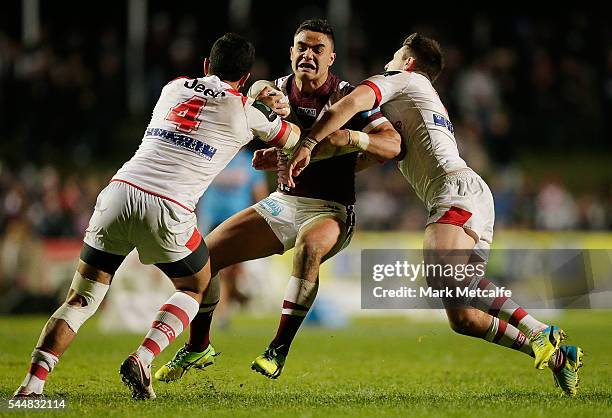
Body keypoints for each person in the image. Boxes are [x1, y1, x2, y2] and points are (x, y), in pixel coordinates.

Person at [288, 33, 583, 397]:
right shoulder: (415, 100)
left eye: (394, 55)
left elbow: (346, 106)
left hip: (453, 189)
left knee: (443, 272)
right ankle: (558, 358)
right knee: (463, 317)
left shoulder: (403, 80)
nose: (387, 63)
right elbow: (375, 154)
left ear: (408, 62)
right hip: (467, 192)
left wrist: (308, 142)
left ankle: (539, 330)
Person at [13, 32, 301, 401]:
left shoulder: (174, 87)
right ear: (244, 78)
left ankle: (31, 386)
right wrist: (271, 98)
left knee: (81, 299)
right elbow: (292, 138)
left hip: (119, 192)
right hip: (169, 207)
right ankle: (144, 357)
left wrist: (253, 93)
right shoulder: (245, 112)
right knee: (195, 286)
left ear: (206, 66)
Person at [154, 19, 401, 382]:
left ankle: (278, 349)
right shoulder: (279, 91)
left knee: (309, 247)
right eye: (302, 46)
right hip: (283, 204)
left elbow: (393, 144)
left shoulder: (347, 98)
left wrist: (352, 138)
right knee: (205, 258)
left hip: (330, 210)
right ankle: (198, 345)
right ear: (291, 53)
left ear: (331, 58)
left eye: (318, 49)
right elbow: (250, 94)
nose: (309, 54)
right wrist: (260, 91)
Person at [198, 147, 269, 328]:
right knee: (214, 269)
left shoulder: (251, 160)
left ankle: (227, 303)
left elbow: (260, 193)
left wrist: (265, 221)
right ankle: (224, 307)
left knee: (231, 271)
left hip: (237, 219)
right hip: (211, 219)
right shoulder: (212, 156)